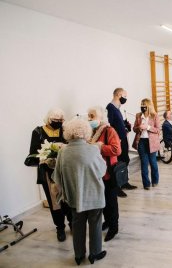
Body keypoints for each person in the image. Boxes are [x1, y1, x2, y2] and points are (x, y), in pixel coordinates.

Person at [52, 119, 107, 265]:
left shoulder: (63, 151)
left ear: (68, 133)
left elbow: (57, 175)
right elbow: (102, 170)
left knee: (77, 225)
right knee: (95, 224)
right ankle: (95, 253)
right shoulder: (93, 149)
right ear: (86, 132)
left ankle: (78, 255)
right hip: (94, 195)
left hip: (74, 196)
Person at [24, 108, 72, 242]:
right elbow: (33, 153)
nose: (59, 123)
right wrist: (45, 157)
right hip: (48, 172)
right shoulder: (38, 132)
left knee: (68, 198)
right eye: (55, 120)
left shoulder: (64, 130)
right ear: (49, 119)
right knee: (54, 202)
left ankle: (72, 223)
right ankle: (60, 227)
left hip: (65, 170)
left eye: (61, 120)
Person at [88, 106, 121, 242]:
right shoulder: (91, 131)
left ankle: (114, 227)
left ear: (101, 117)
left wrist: (100, 147)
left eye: (93, 116)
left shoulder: (109, 130)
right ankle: (107, 222)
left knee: (111, 201)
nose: (90, 119)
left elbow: (116, 150)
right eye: (89, 116)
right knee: (103, 201)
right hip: (96, 173)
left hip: (108, 172)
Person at [106, 87, 137, 198]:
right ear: (119, 95)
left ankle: (124, 182)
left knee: (125, 160)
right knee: (117, 163)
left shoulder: (117, 107)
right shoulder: (110, 108)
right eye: (125, 96)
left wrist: (125, 124)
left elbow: (117, 123)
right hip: (117, 140)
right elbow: (110, 125)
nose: (125, 98)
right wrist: (115, 138)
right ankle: (117, 187)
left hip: (122, 138)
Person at [132, 98, 160, 190]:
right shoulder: (138, 115)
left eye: (144, 105)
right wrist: (139, 128)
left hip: (151, 142)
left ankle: (155, 181)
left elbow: (158, 130)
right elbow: (134, 128)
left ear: (148, 106)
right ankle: (146, 184)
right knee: (144, 163)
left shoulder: (154, 116)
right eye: (141, 104)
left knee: (153, 163)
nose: (142, 106)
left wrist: (147, 127)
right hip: (141, 142)